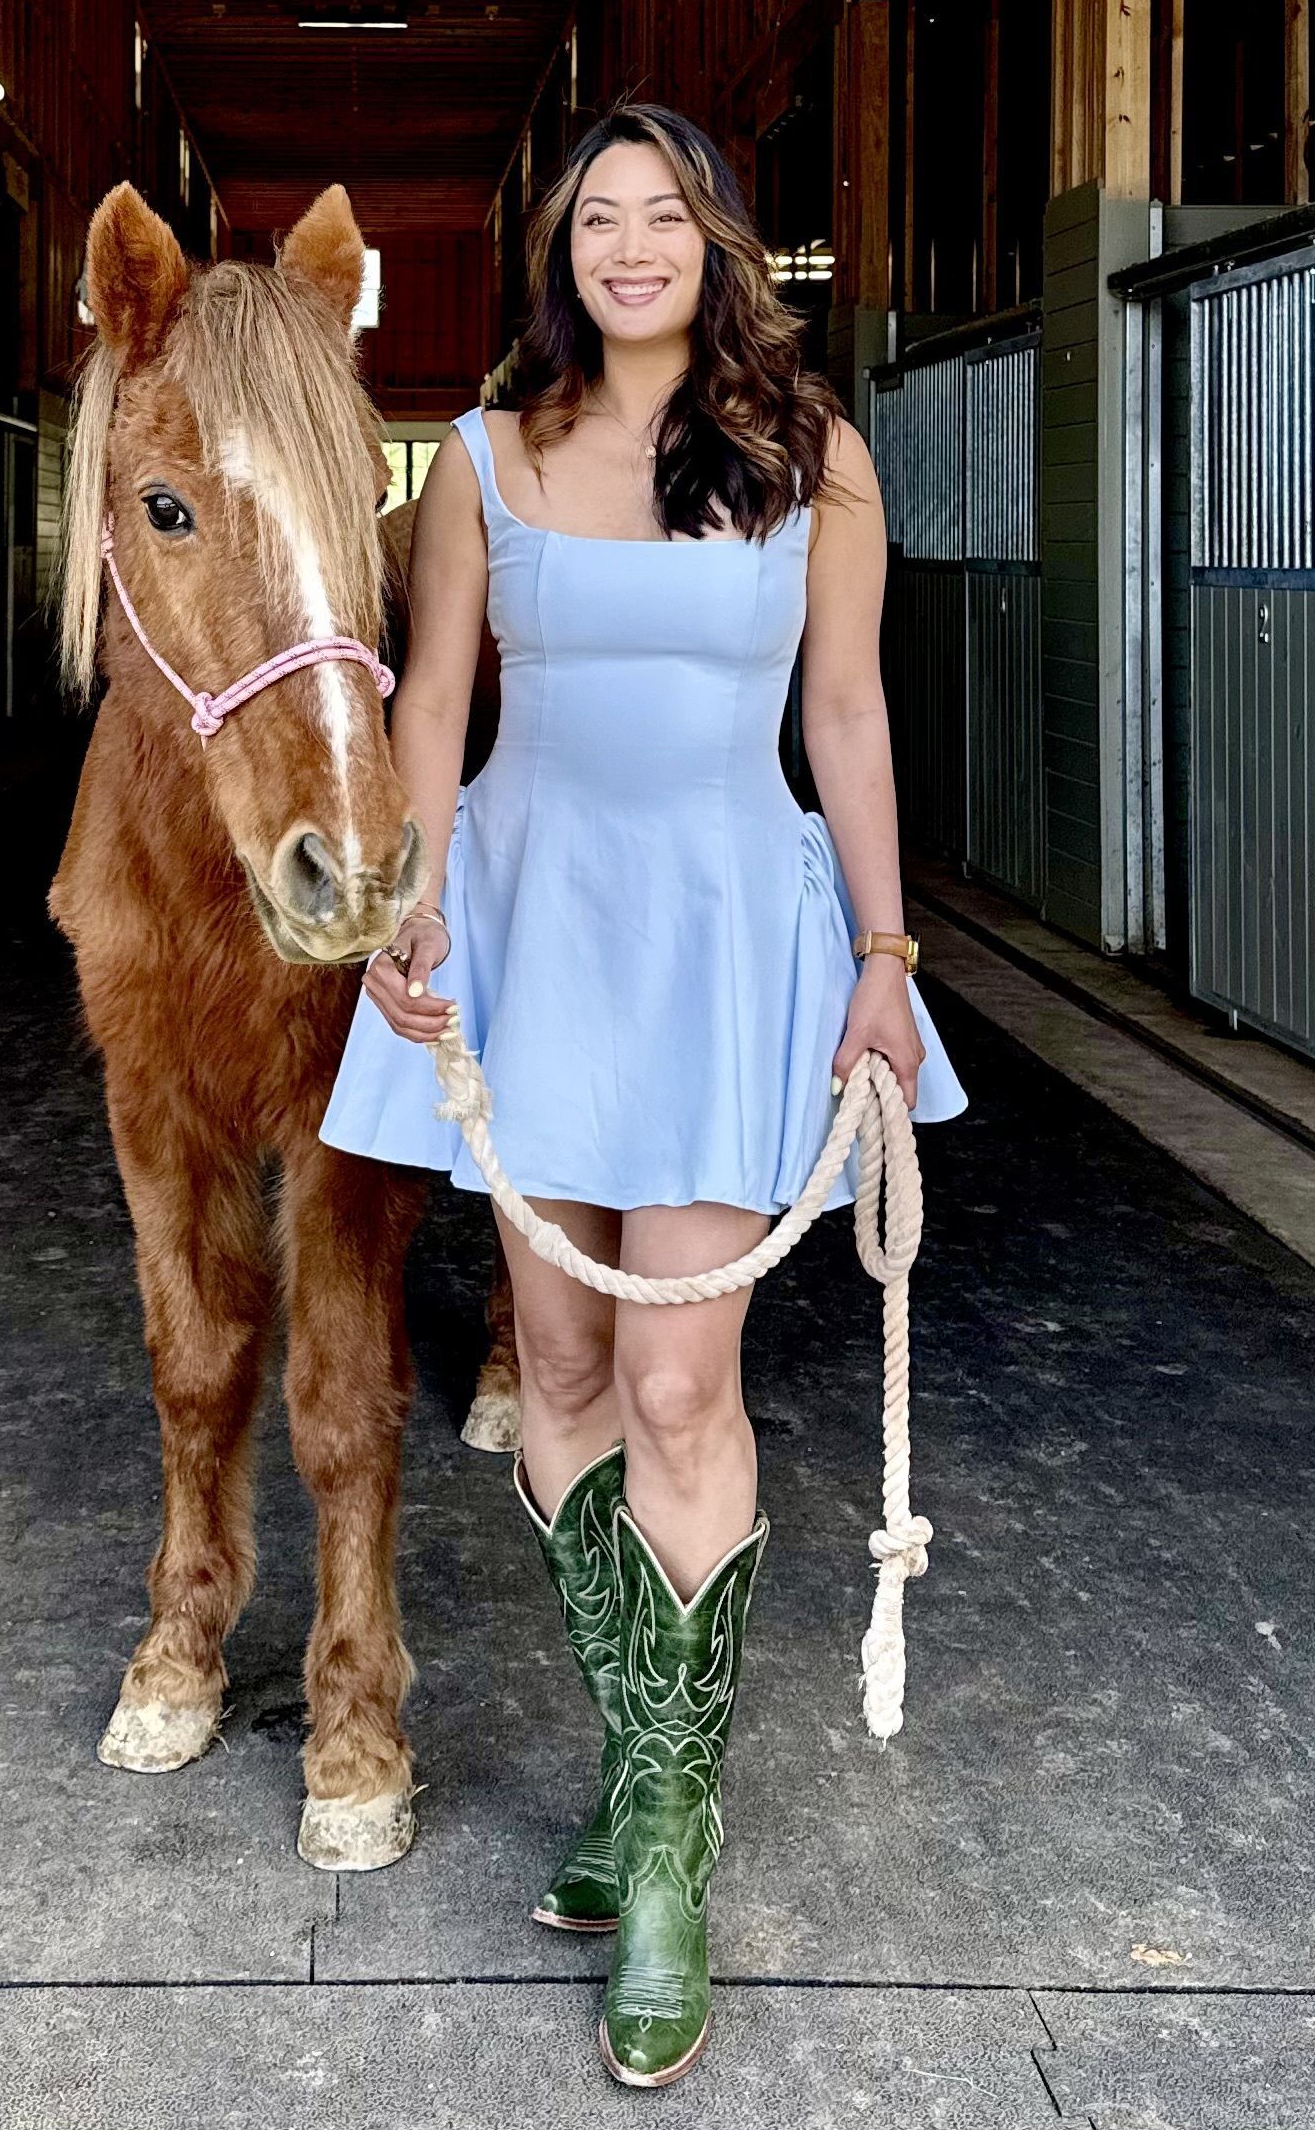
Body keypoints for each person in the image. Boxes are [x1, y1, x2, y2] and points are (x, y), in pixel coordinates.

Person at [321, 102, 967, 2091]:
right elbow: (438, 706)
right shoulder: (482, 456)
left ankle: (668, 1856)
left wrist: (881, 952)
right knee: (562, 1372)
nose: (626, 245)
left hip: (722, 928)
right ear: (559, 253)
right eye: (594, 217)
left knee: (683, 1383)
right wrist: (409, 905)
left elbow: (843, 709)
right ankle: (643, 1762)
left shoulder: (811, 455)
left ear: (715, 243)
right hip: (537, 928)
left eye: (660, 214)